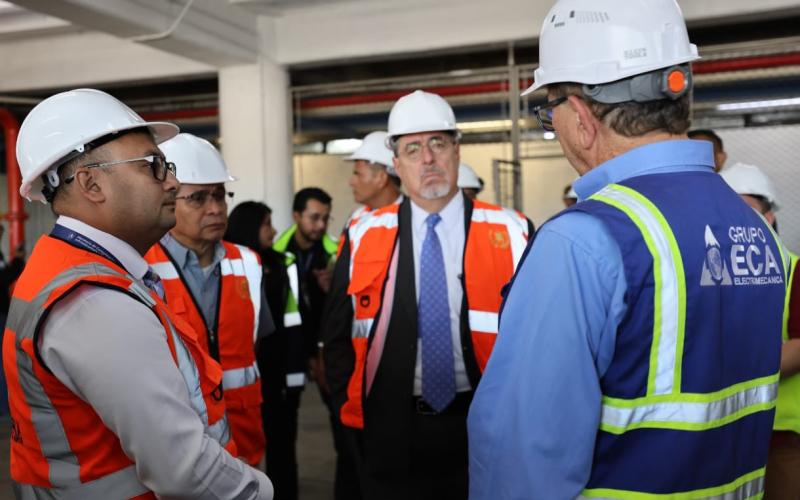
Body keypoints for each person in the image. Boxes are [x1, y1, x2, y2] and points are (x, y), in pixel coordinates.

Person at [468, 1, 788, 498]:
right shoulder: (754, 228)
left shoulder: (581, 243)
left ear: (580, 115)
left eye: (548, 114)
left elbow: (525, 459)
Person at [4, 88, 272, 498]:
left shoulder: (69, 268)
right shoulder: (94, 303)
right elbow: (183, 471)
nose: (173, 182)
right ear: (92, 184)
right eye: (154, 166)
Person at [323, 89, 530, 500]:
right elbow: (339, 335)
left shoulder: (512, 230)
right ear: (396, 163)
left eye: (438, 143)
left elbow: (543, 338)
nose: (428, 159)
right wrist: (357, 420)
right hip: (391, 430)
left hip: (486, 424)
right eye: (413, 148)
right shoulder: (364, 233)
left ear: (457, 150)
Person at [144, 133, 272, 467]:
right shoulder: (142, 268)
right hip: (177, 446)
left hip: (244, 441)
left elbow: (256, 343)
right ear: (169, 200)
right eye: (198, 198)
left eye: (219, 195)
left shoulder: (248, 263)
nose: (215, 208)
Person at [272, 188, 360, 499]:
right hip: (292, 354)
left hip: (329, 353)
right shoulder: (275, 252)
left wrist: (332, 287)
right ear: (297, 217)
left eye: (325, 218)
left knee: (343, 425)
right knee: (284, 432)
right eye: (314, 217)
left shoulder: (337, 254)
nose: (321, 225)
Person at [719, 162, 800, 499]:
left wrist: (737, 375)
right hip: (723, 435)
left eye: (749, 211)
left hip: (781, 437)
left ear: (769, 218)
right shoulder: (707, 274)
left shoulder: (795, 271)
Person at [226, 201, 305, 500]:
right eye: (266, 223)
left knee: (283, 447)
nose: (273, 230)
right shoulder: (237, 266)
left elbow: (294, 321)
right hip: (247, 379)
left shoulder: (281, 264)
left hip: (279, 375)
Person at [344, 130, 403, 229]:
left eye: (358, 174)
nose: (351, 182)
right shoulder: (356, 219)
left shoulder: (415, 218)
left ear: (381, 178)